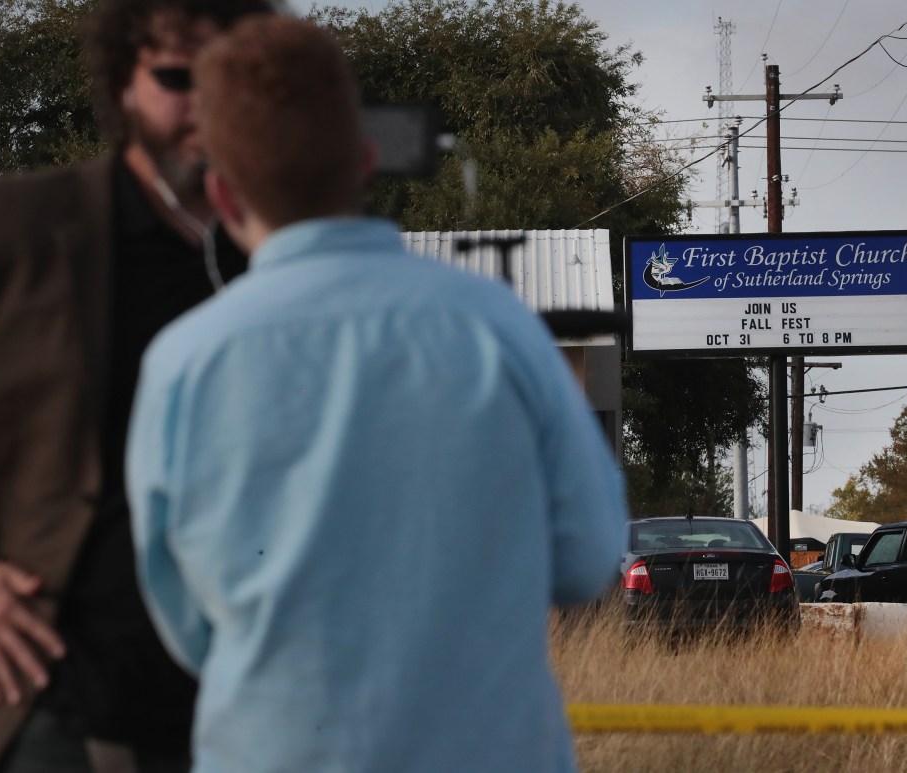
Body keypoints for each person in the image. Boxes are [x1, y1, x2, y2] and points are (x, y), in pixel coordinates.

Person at [124, 16, 627, 773]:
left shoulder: (183, 363)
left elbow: (185, 621)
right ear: (364, 160)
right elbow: (589, 560)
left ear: (224, 195)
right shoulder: (503, 329)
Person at [0, 1, 277, 770]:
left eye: (231, 80)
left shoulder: (285, 256)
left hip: (255, 705)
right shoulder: (0, 230)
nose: (206, 103)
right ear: (121, 84)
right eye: (176, 77)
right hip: (53, 697)